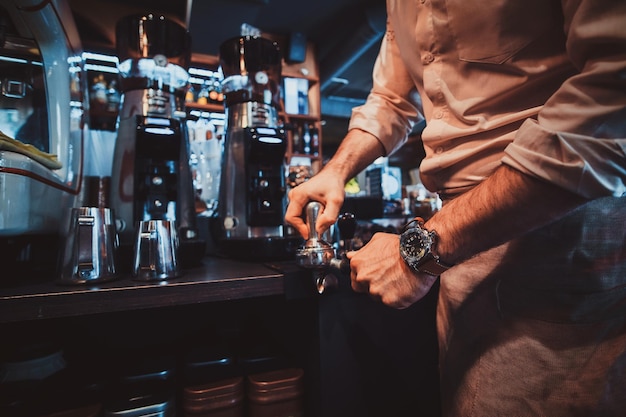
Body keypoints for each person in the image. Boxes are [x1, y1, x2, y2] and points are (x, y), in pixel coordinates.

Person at [285, 1, 626, 415]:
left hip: (560, 241)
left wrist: (418, 253)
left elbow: (612, 102)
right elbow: (391, 98)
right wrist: (336, 170)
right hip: (453, 251)